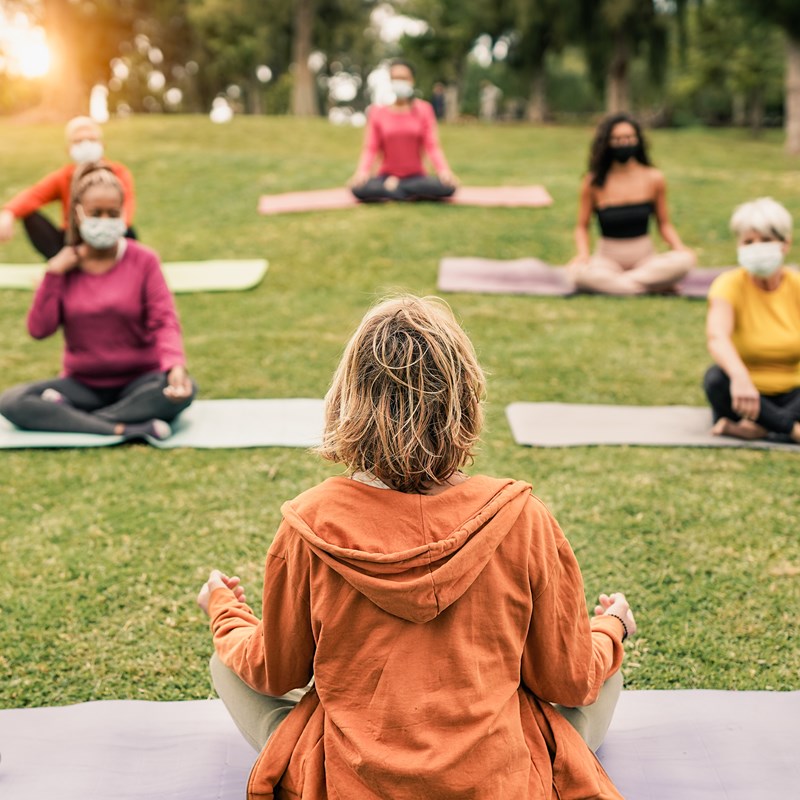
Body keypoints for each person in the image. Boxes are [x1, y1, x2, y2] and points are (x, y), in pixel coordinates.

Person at [197, 294, 636, 799]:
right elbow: (569, 680)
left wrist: (225, 611)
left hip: (350, 783)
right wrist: (612, 626)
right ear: (464, 399)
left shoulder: (309, 526)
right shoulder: (522, 519)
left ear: (348, 398)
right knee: (604, 676)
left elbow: (275, 671)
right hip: (497, 781)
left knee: (223, 663)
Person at [0, 163, 195, 439]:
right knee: (12, 402)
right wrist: (53, 275)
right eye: (95, 213)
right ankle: (127, 427)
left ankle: (74, 418)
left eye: (112, 213)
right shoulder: (65, 267)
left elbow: (164, 320)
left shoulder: (144, 260)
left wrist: (175, 366)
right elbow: (39, 330)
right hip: (83, 385)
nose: (104, 220)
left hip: (140, 381)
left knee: (183, 391)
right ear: (78, 214)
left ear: (123, 214)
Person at [704, 197, 800, 443]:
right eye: (748, 241)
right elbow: (717, 336)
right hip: (745, 392)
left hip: (794, 390)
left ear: (785, 244)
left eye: (766, 240)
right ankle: (791, 430)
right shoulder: (728, 284)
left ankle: (759, 428)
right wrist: (739, 377)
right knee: (716, 380)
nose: (757, 247)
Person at [568, 113, 696, 295]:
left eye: (629, 137)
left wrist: (679, 248)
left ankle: (621, 287)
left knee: (685, 261)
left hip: (645, 260)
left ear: (637, 140)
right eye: (617, 139)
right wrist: (583, 255)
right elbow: (582, 227)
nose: (624, 143)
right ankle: (653, 287)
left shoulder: (654, 178)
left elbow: (664, 224)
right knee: (577, 273)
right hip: (607, 261)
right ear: (606, 143)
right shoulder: (593, 182)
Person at [0, 116, 136, 260]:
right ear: (69, 149)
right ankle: (62, 264)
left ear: (102, 145)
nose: (86, 145)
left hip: (109, 234)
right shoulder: (64, 176)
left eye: (91, 139)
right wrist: (9, 212)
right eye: (78, 141)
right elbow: (35, 194)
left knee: (129, 232)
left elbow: (126, 212)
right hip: (73, 239)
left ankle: (120, 264)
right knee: (29, 215)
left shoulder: (118, 173)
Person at [348, 60, 458, 202]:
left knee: (447, 187)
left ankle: (396, 188)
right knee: (358, 189)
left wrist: (444, 171)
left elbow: (432, 146)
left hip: (417, 177)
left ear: (411, 80)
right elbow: (371, 148)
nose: (399, 82)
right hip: (385, 177)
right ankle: (406, 192)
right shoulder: (377, 112)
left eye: (403, 78)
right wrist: (362, 172)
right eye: (395, 78)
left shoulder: (424, 109)